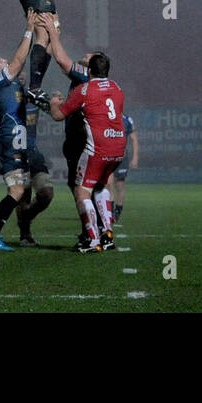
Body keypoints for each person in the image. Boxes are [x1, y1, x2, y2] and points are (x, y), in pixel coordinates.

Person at [37, 19, 126, 254]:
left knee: (81, 190)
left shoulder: (84, 83)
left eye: (90, 55)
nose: (85, 54)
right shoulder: (116, 87)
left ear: (91, 67)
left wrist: (53, 34)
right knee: (98, 187)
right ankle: (105, 234)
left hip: (88, 145)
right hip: (114, 145)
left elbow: (61, 59)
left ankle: (91, 237)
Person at [0, 11, 42, 250]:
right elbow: (19, 60)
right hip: (9, 140)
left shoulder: (11, 81)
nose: (6, 62)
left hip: (15, 140)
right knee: (16, 190)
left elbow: (20, 62)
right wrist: (29, 29)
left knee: (20, 189)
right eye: (1, 61)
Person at [110, 111, 138, 221]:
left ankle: (118, 211)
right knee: (108, 184)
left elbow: (134, 139)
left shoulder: (127, 119)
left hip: (122, 157)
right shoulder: (106, 116)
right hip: (108, 156)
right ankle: (110, 211)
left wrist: (135, 158)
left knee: (120, 185)